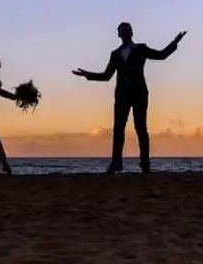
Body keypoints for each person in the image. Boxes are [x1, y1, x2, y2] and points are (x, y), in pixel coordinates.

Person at [73, 23, 187, 174]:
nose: (125, 33)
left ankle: (145, 163)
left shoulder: (141, 49)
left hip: (139, 93)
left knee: (141, 128)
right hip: (121, 95)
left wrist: (174, 43)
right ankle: (116, 162)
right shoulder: (115, 54)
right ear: (119, 35)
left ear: (132, 32)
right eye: (122, 31)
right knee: (118, 129)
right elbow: (107, 76)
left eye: (127, 31)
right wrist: (89, 75)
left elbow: (161, 55)